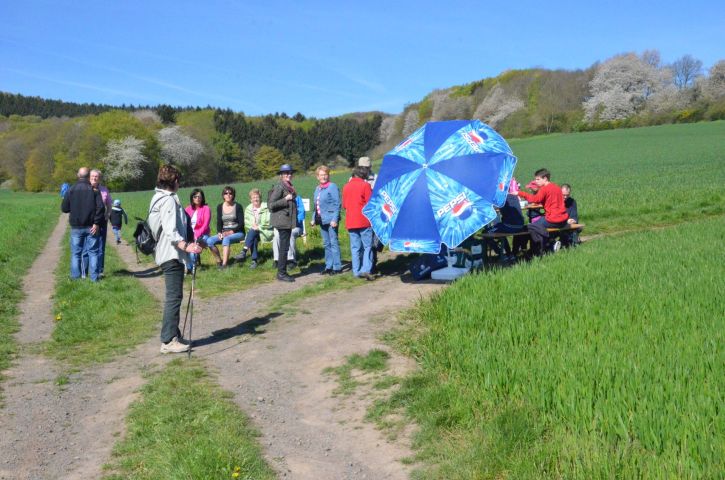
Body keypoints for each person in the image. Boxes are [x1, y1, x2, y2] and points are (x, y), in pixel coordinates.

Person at [147, 164, 202, 354]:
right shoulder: (168, 201)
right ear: (174, 181)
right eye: (178, 180)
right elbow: (171, 231)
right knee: (174, 297)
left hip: (167, 253)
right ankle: (168, 340)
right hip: (171, 254)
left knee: (175, 296)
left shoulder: (157, 198)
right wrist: (187, 246)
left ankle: (174, 335)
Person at [61, 167, 105, 282]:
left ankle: (75, 278)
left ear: (78, 175)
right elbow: (101, 208)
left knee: (76, 253)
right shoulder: (94, 190)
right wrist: (96, 223)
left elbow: (64, 208)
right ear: (88, 176)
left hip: (76, 227)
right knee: (93, 252)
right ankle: (94, 278)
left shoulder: (71, 190)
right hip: (92, 227)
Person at [517, 168, 569, 256]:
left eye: (538, 179)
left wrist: (520, 193)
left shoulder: (545, 189)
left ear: (545, 178)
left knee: (530, 227)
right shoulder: (556, 187)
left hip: (553, 219)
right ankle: (541, 247)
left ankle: (545, 245)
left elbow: (535, 199)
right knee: (535, 226)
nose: (536, 181)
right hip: (563, 219)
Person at [343, 166, 374, 280]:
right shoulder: (365, 185)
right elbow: (370, 204)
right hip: (364, 220)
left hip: (351, 221)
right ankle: (366, 269)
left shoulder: (346, 186)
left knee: (355, 248)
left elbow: (345, 205)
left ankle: (356, 272)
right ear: (364, 175)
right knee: (367, 246)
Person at [268, 164, 298, 282]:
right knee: (284, 248)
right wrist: (285, 199)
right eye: (286, 173)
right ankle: (281, 273)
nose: (289, 175)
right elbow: (271, 205)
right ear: (281, 175)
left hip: (287, 221)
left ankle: (282, 272)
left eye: (290, 173)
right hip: (282, 221)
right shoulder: (280, 187)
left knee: (284, 247)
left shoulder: (289, 186)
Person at [310, 165, 342, 275]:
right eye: (321, 175)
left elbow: (337, 204)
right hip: (322, 220)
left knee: (333, 243)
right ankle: (328, 266)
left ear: (328, 175)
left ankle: (337, 267)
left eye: (325, 174)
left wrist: (335, 219)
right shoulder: (317, 189)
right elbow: (316, 206)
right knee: (326, 244)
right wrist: (313, 219)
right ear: (317, 177)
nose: (323, 177)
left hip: (331, 220)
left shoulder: (332, 186)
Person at [206, 186, 245, 270]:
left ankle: (224, 265)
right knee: (210, 241)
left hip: (238, 232)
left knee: (226, 239)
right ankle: (219, 261)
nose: (228, 195)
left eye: (230, 193)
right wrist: (219, 232)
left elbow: (241, 223)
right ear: (223, 195)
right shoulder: (220, 207)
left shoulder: (238, 206)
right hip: (225, 232)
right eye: (226, 193)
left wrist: (232, 231)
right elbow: (219, 222)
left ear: (233, 195)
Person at [235, 188, 273, 268]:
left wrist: (259, 227)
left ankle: (245, 252)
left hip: (266, 231)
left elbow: (270, 222)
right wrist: (254, 227)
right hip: (253, 232)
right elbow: (247, 223)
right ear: (250, 200)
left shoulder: (267, 207)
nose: (255, 199)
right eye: (253, 197)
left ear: (260, 198)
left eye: (257, 197)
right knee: (253, 236)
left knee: (252, 233)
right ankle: (254, 260)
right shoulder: (248, 209)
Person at [488, 177, 525, 260]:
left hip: (509, 226)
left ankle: (503, 254)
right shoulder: (514, 196)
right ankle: (510, 254)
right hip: (520, 225)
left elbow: (492, 208)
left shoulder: (501, 199)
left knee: (486, 232)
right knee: (500, 229)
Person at [90, 169, 113, 277]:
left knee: (100, 245)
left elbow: (109, 204)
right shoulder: (86, 189)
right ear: (89, 177)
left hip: (102, 221)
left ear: (99, 178)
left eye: (96, 176)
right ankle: (88, 270)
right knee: (88, 245)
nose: (94, 178)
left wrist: (108, 214)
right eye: (92, 176)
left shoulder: (104, 190)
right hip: (88, 221)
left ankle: (99, 270)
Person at [184, 188, 212, 274]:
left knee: (193, 250)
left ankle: (191, 268)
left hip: (202, 234)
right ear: (192, 198)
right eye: (195, 197)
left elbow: (205, 224)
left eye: (199, 197)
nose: (197, 198)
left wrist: (197, 234)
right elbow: (184, 223)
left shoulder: (206, 208)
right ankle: (188, 267)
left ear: (202, 198)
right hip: (189, 235)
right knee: (184, 248)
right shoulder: (188, 209)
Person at [272, 194, 304, 269]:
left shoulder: (297, 198)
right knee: (276, 234)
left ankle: (291, 260)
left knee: (290, 233)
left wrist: (293, 222)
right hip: (283, 225)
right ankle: (277, 260)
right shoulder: (280, 199)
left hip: (296, 226)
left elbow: (301, 213)